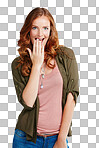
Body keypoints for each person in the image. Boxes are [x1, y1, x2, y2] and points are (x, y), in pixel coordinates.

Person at [11, 7, 79, 148]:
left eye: (45, 28)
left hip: (57, 138)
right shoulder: (18, 64)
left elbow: (72, 97)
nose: (40, 34)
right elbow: (28, 102)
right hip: (26, 139)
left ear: (51, 31)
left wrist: (61, 139)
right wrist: (36, 65)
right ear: (28, 31)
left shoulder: (66, 56)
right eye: (35, 28)